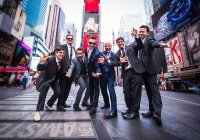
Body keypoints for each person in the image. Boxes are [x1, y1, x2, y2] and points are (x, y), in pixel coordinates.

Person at [137, 25, 170, 125]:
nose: (141, 33)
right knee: (148, 91)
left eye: (143, 32)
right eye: (140, 31)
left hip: (151, 70)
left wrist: (161, 45)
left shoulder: (149, 40)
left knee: (154, 91)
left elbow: (154, 43)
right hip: (143, 70)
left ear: (147, 33)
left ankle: (157, 114)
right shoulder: (140, 41)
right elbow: (138, 47)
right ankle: (151, 111)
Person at [107, 36, 145, 120]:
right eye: (118, 42)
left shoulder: (131, 46)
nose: (120, 43)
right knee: (126, 92)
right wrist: (109, 61)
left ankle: (135, 112)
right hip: (126, 72)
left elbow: (140, 45)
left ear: (124, 41)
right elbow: (115, 63)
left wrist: (136, 37)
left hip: (136, 71)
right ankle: (130, 108)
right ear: (117, 44)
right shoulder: (117, 53)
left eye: (121, 41)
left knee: (136, 92)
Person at [34, 48, 65, 122]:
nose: (62, 54)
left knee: (58, 92)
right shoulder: (50, 59)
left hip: (53, 79)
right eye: (60, 52)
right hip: (45, 79)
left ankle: (49, 104)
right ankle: (37, 111)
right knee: (45, 87)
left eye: (63, 53)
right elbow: (40, 68)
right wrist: (41, 62)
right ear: (56, 53)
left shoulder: (61, 61)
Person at [98, 41, 117, 119]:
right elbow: (98, 63)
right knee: (103, 91)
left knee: (111, 91)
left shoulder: (114, 55)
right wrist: (100, 64)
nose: (107, 47)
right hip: (102, 76)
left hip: (110, 76)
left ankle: (114, 111)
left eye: (108, 46)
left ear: (111, 46)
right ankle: (106, 103)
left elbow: (116, 63)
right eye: (106, 46)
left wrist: (108, 61)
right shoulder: (101, 53)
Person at [85, 36, 101, 115]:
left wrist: (97, 73)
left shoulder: (96, 53)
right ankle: (91, 103)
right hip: (90, 72)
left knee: (96, 89)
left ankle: (94, 106)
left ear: (95, 44)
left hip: (96, 74)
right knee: (91, 89)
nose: (91, 45)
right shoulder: (86, 50)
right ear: (88, 42)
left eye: (93, 43)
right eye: (90, 43)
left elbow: (97, 65)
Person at [59, 34, 75, 109]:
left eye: (71, 38)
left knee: (68, 88)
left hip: (71, 72)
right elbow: (56, 55)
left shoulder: (74, 49)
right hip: (63, 71)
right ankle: (59, 104)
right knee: (62, 88)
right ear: (66, 39)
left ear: (73, 40)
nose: (70, 39)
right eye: (69, 38)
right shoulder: (62, 47)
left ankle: (64, 102)